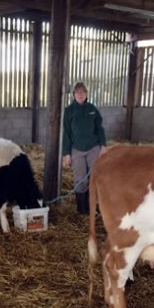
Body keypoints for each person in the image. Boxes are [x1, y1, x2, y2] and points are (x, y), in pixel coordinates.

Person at [62, 81, 107, 214]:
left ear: (86, 93)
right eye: (77, 92)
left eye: (82, 91)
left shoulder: (92, 109)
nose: (80, 94)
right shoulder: (69, 111)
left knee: (94, 177)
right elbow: (66, 133)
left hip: (93, 148)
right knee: (80, 179)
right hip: (77, 149)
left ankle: (93, 206)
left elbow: (100, 128)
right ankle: (81, 209)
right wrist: (67, 153)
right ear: (73, 94)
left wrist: (103, 146)